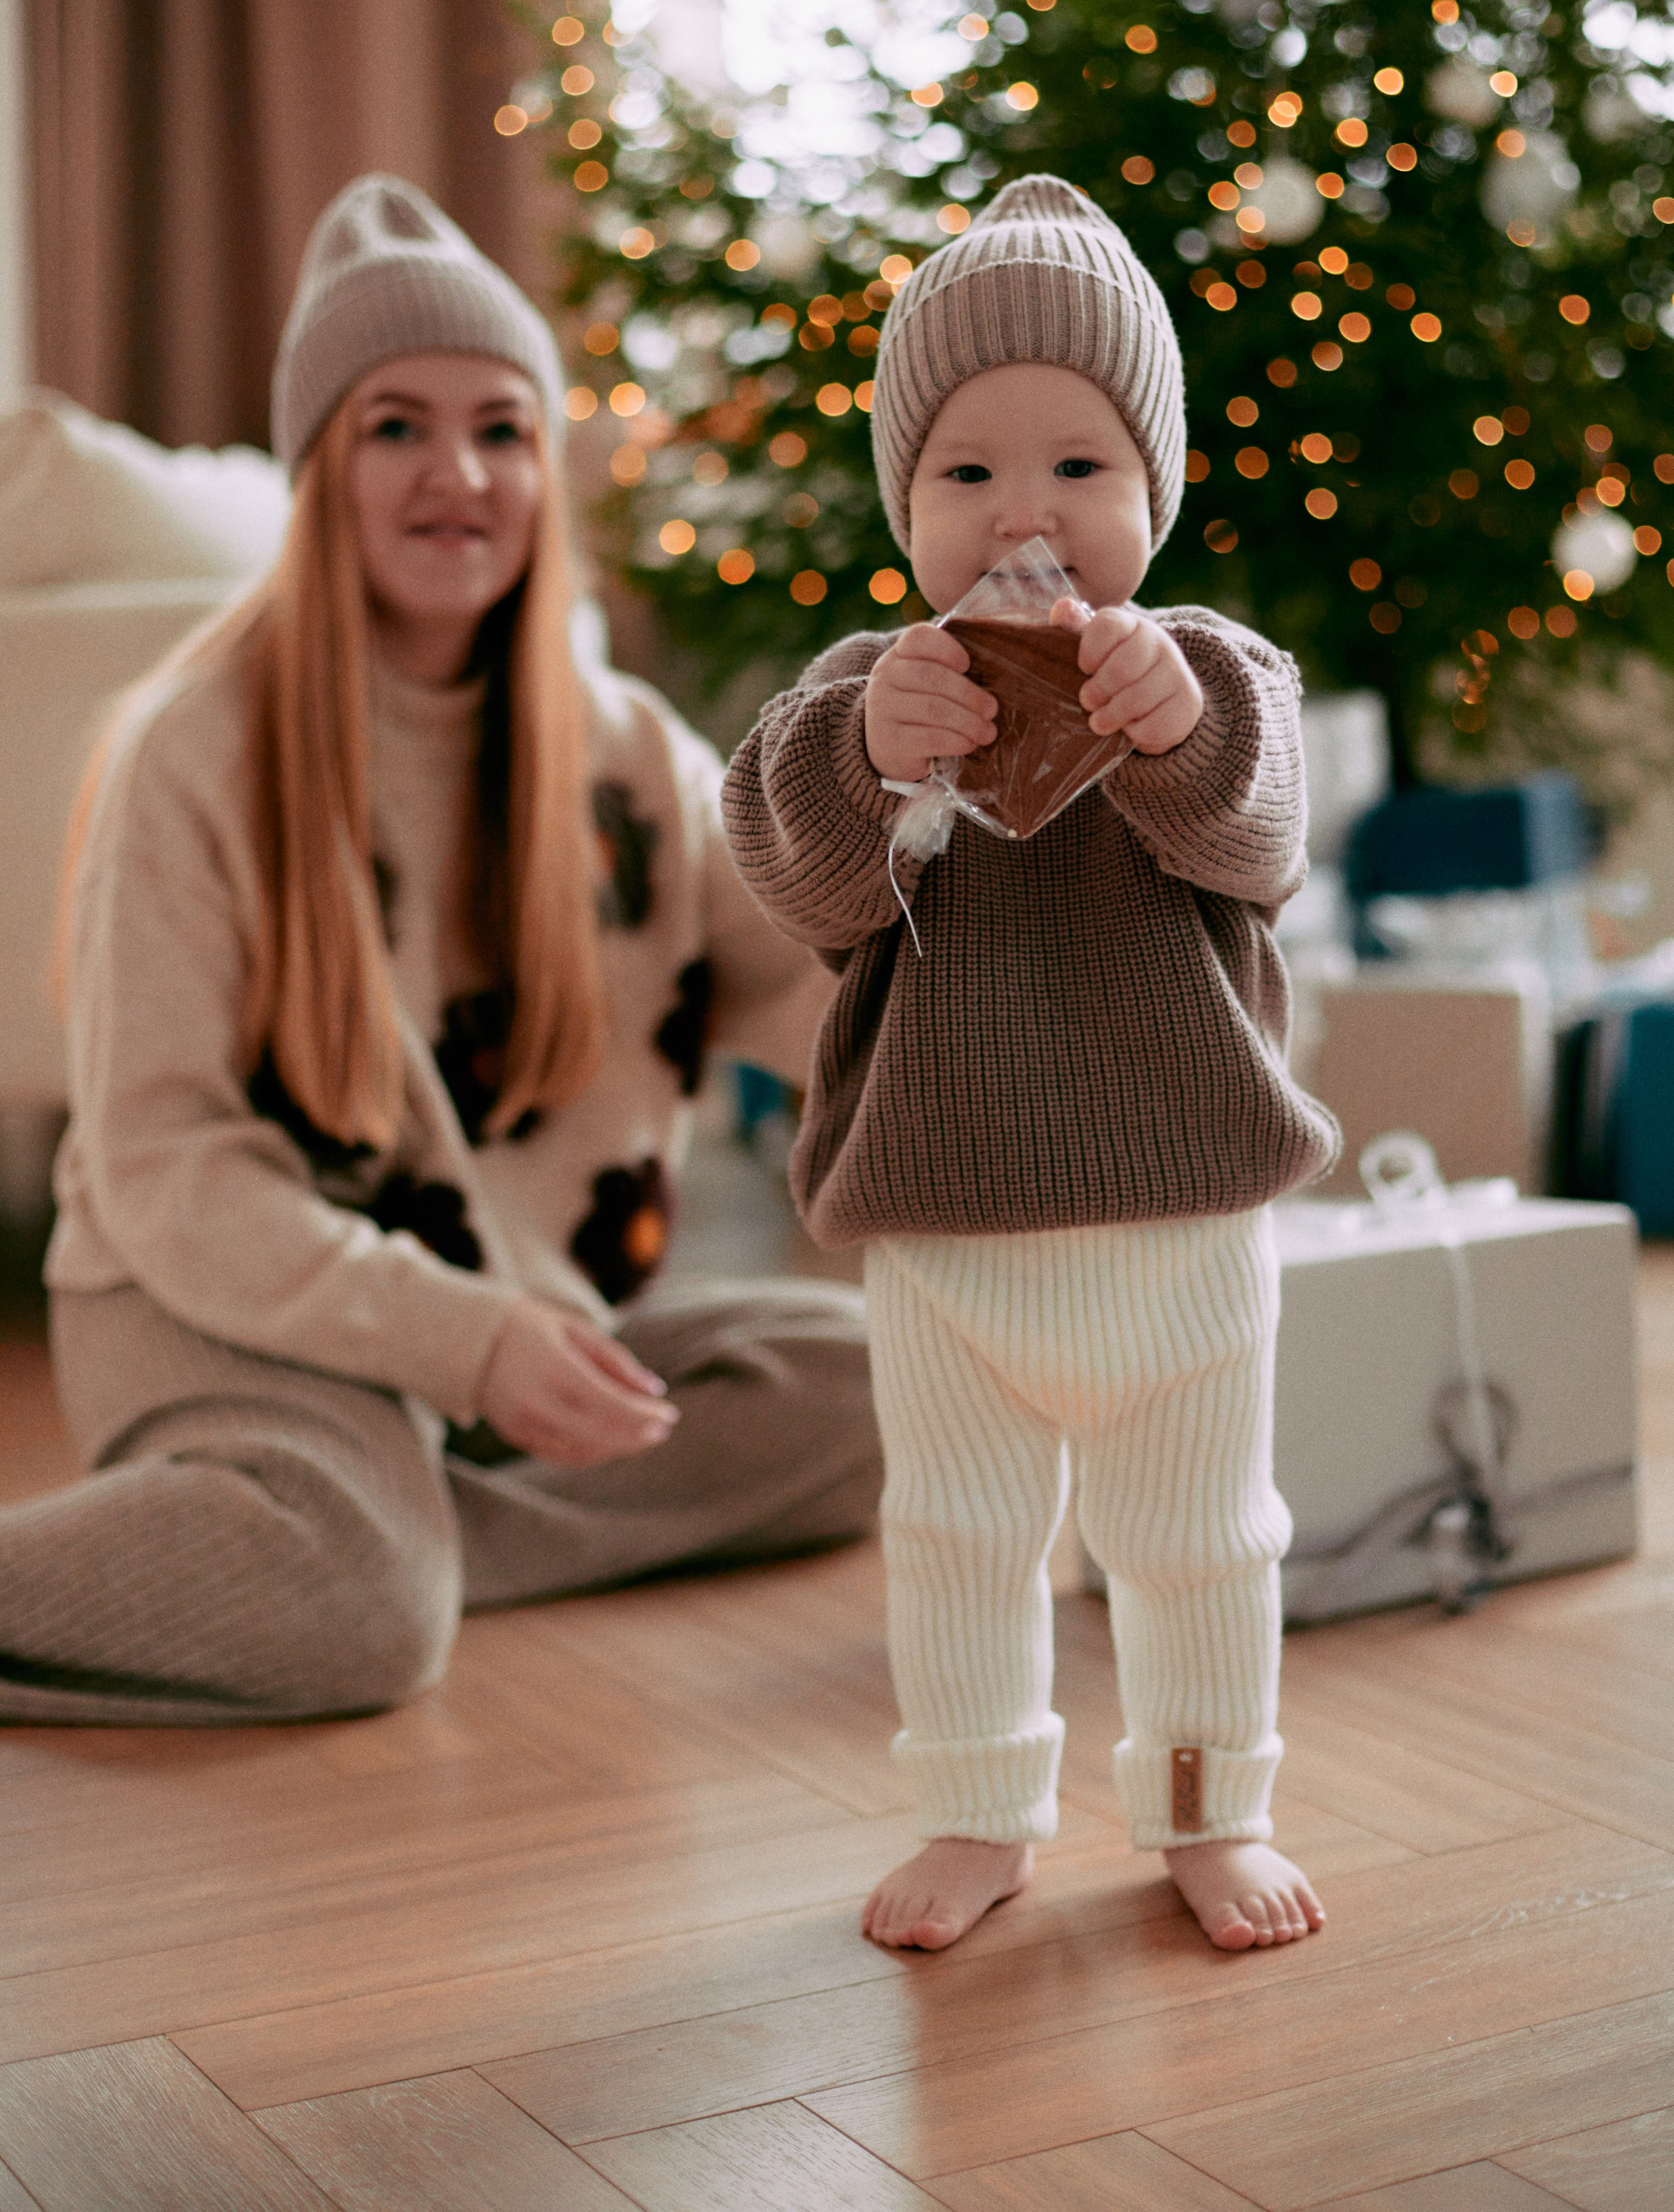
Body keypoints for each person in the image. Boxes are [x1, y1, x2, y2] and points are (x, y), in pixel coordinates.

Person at [0, 174, 880, 1729]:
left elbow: (826, 1008)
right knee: (367, 1621)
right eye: (395, 425)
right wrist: (458, 1344)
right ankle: (340, 1550)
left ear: (544, 470)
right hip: (225, 1311)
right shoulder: (191, 751)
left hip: (512, 1333)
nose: (455, 474)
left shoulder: (628, 754)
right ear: (319, 466)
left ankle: (357, 1537)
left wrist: (1044, 1007)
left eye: (501, 428)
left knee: (883, 1391)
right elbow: (166, 1170)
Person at [722, 176, 1340, 1954]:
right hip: (947, 1226)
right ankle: (979, 1809)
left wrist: (1180, 727)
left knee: (1207, 1541)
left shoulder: (1211, 670)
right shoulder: (869, 691)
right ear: (904, 503)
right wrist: (863, 754)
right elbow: (798, 879)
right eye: (968, 474)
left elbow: (1263, 842)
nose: (1026, 515)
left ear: (1154, 485)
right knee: (957, 1541)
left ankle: (1216, 1806)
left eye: (1080, 468)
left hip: (1184, 1219)